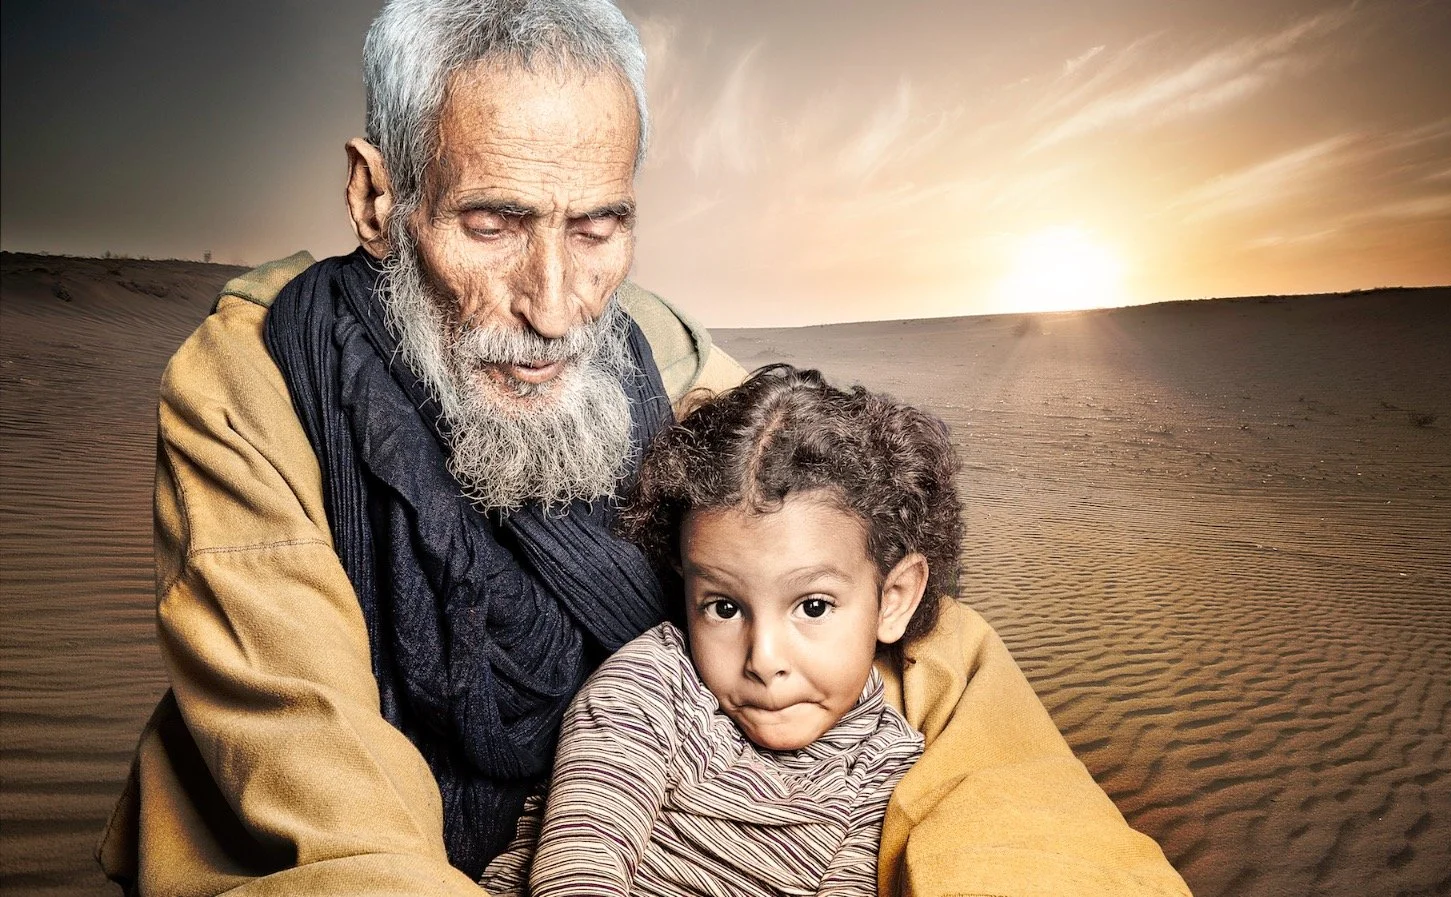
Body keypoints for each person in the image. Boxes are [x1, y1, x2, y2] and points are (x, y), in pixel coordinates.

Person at [97, 1, 1192, 895]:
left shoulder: (654, 350)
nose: (555, 303)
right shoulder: (254, 382)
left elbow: (851, 566)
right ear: (381, 199)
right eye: (492, 225)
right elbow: (322, 779)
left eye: (597, 226)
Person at [480, 365, 948, 895]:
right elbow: (580, 865)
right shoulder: (649, 690)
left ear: (894, 598)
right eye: (724, 608)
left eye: (813, 607)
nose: (764, 659)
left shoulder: (887, 761)